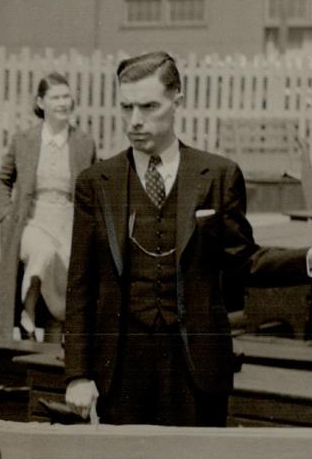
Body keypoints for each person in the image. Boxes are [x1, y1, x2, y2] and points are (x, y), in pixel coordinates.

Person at [65, 51, 312, 427]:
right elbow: (80, 285)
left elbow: (244, 260)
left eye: (149, 106)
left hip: (196, 368)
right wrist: (78, 374)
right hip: (120, 370)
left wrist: (307, 259)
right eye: (126, 107)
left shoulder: (217, 175)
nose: (135, 121)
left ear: (177, 99)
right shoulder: (97, 183)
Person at [0, 72, 96, 342]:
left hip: (68, 221)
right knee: (43, 252)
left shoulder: (83, 143)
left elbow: (94, 187)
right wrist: (6, 214)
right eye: (55, 97)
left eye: (66, 96)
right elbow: (2, 180)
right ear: (41, 102)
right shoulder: (24, 140)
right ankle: (28, 311)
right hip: (32, 220)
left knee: (63, 277)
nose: (63, 103)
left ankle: (51, 343)